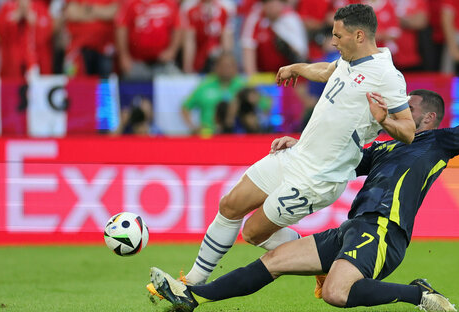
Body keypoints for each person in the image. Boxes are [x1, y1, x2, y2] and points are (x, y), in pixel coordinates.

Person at [149, 48, 459, 312]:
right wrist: (302, 144)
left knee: (336, 294)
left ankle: (417, 295)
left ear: (430, 117)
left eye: (409, 106)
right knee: (275, 259)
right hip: (351, 228)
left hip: (385, 230)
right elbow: (337, 160)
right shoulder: (383, 149)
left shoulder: (440, 143)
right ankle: (193, 296)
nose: (400, 106)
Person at [146, 4, 415, 294]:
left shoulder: (387, 76)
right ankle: (190, 283)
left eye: (338, 36)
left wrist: (384, 119)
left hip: (318, 177)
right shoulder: (347, 60)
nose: (332, 41)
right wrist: (296, 67)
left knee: (253, 233)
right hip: (296, 156)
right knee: (230, 205)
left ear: (359, 35)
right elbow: (325, 71)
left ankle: (324, 262)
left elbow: (409, 131)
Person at [181, 52, 246, 136]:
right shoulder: (205, 86)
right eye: (223, 65)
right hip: (208, 135)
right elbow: (185, 107)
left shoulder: (243, 87)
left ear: (235, 68)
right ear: (216, 67)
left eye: (229, 66)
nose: (226, 69)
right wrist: (193, 127)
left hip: (236, 136)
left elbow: (263, 106)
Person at [115, 0, 182, 80]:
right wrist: (124, 55)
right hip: (136, 61)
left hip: (162, 62)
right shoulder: (131, 3)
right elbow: (121, 28)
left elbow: (178, 27)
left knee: (173, 85)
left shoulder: (169, 3)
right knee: (135, 89)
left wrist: (172, 50)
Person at [63, 0, 118, 77]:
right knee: (78, 84)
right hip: (78, 48)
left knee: (104, 85)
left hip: (104, 48)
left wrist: (87, 10)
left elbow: (114, 12)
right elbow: (72, 13)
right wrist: (101, 13)